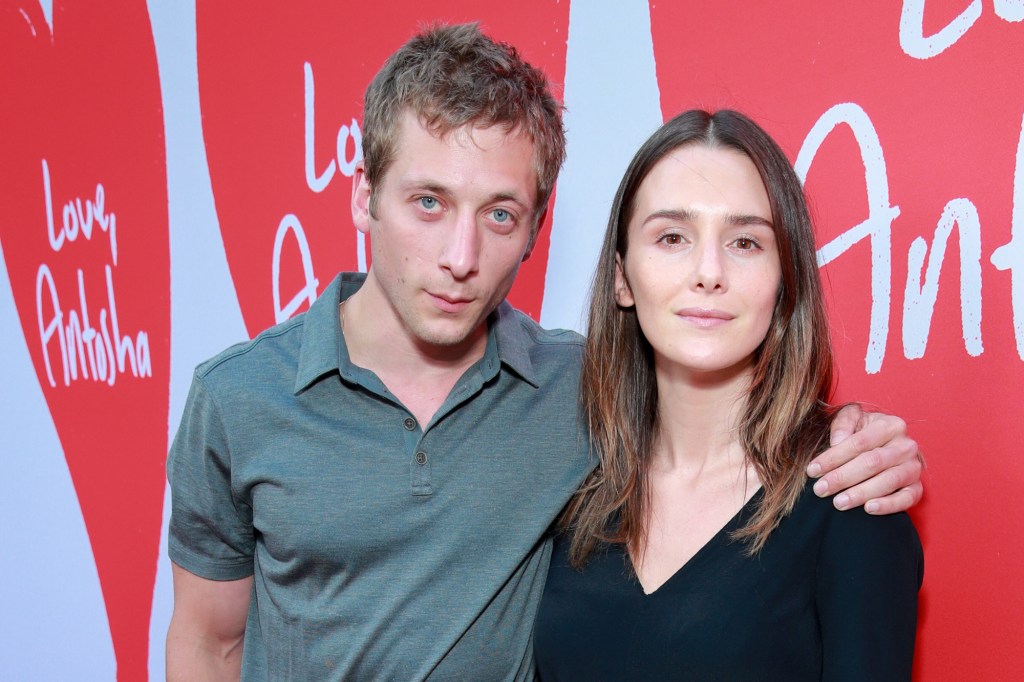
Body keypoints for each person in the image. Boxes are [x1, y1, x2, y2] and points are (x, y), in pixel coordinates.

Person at [166, 25, 923, 681]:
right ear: (364, 194)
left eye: (500, 213)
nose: (460, 255)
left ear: (536, 229)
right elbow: (208, 645)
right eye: (428, 202)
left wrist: (858, 436)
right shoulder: (238, 400)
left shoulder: (572, 392)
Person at [533, 109, 923, 680]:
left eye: (744, 242)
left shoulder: (849, 494)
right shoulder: (568, 484)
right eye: (672, 237)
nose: (709, 271)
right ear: (622, 277)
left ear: (783, 281)